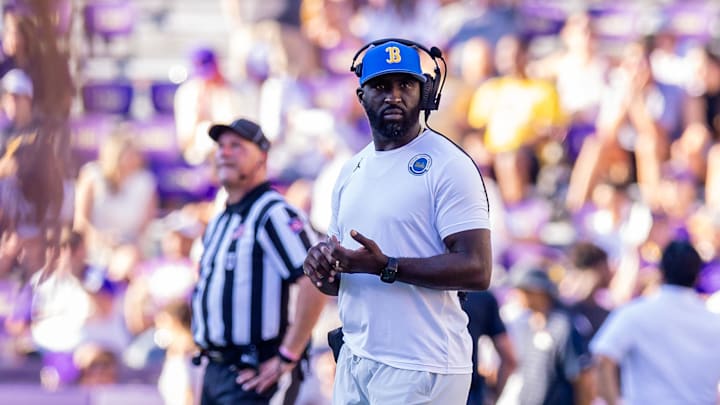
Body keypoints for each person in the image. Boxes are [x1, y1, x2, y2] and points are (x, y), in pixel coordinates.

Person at [303, 39, 492, 404]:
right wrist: (324, 269)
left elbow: (478, 269)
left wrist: (386, 266)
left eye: (405, 85)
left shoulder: (449, 165)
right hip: (357, 356)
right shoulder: (349, 171)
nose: (394, 96)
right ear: (361, 96)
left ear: (426, 94)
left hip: (422, 363)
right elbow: (347, 280)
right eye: (381, 86)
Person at [192, 118, 327, 404]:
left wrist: (287, 355)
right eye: (221, 146)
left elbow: (315, 281)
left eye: (237, 146)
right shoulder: (221, 219)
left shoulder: (273, 213)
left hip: (256, 373)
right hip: (217, 369)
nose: (225, 153)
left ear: (263, 157)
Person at [591, 240, 720, 405]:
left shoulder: (635, 314)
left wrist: (613, 401)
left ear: (661, 272)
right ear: (697, 276)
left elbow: (602, 359)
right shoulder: (714, 322)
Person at [501, 268, 594, 405]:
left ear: (537, 291)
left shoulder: (562, 326)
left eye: (521, 290)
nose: (516, 295)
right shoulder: (526, 325)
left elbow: (581, 378)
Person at [461, 290, 517, 405]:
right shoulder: (480, 295)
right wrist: (495, 396)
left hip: (419, 383)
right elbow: (509, 358)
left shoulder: (418, 288)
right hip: (468, 390)